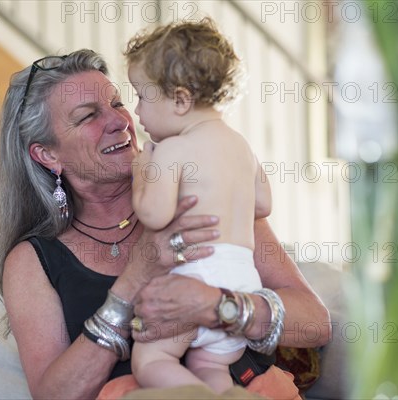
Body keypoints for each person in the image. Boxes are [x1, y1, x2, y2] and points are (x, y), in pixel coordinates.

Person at [0, 48, 331, 399]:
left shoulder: (206, 193)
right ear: (47, 155)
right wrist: (133, 280)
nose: (120, 121)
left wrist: (216, 307)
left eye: (118, 103)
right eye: (88, 116)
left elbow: (315, 324)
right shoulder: (33, 261)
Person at [124, 18, 273, 394]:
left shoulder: (174, 149)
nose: (137, 111)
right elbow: (263, 203)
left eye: (141, 95)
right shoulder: (242, 146)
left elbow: (154, 214)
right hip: (242, 285)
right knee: (209, 365)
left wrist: (143, 172)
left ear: (180, 99)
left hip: (197, 275)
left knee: (151, 360)